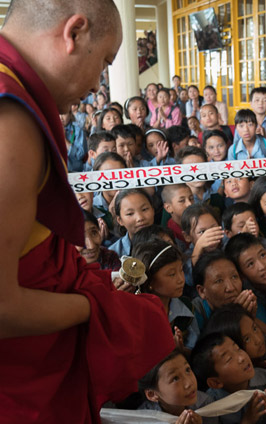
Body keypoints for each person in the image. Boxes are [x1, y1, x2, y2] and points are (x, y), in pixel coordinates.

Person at [0, 1, 172, 421]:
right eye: (106, 62)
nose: (99, 83)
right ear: (73, 33)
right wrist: (99, 307)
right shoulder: (11, 123)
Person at [191, 332, 266, 424]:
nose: (242, 358)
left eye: (238, 349)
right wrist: (247, 421)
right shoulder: (212, 405)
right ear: (215, 382)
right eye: (229, 359)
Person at [133, 239, 199, 350]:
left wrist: (180, 350)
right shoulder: (136, 314)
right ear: (150, 281)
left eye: (181, 270)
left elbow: (195, 350)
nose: (181, 279)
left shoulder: (186, 308)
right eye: (172, 274)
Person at [138, 350, 216, 424]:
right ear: (152, 394)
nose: (189, 383)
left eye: (187, 370)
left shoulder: (205, 404)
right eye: (175, 378)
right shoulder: (142, 420)